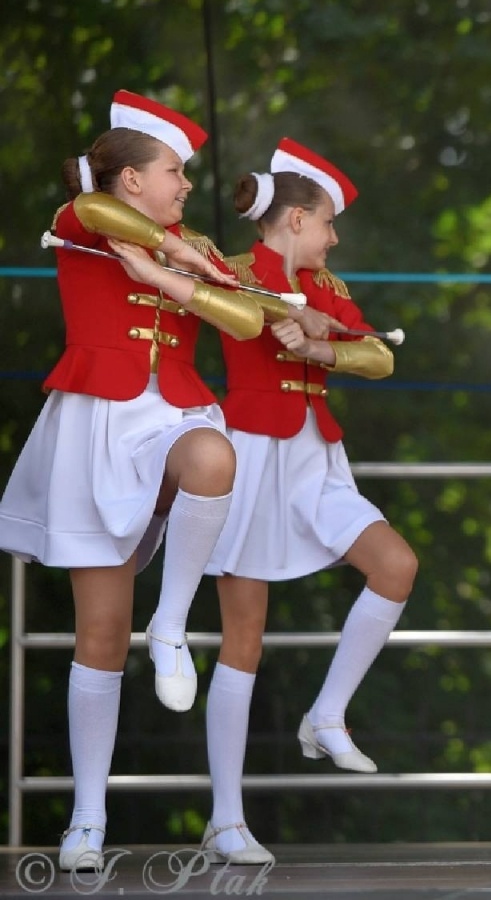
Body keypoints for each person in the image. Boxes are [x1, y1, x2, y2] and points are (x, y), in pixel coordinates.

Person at [0, 90, 264, 872]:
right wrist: (163, 246)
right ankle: (86, 817)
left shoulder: (195, 244)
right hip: (94, 427)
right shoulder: (84, 219)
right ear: (129, 180)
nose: (186, 185)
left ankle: (174, 623)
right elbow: (90, 210)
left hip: (174, 413)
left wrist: (182, 265)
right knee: (99, 635)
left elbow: (245, 320)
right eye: (174, 171)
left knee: (216, 459)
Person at [198, 140, 417, 864]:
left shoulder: (331, 288)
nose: (334, 237)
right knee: (244, 638)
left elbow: (379, 355)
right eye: (327, 224)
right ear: (295, 218)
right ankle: (226, 819)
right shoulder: (231, 272)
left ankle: (327, 713)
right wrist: (273, 315)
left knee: (395, 566)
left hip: (317, 457)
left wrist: (320, 346)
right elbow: (216, 308)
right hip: (252, 456)